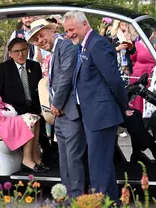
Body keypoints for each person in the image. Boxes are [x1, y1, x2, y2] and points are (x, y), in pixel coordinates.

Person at [63, 11, 128, 202]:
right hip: (92, 114)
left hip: (101, 115)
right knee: (103, 167)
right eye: (66, 31)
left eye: (71, 30)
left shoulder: (97, 44)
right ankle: (111, 203)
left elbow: (114, 80)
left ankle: (100, 203)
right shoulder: (84, 45)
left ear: (84, 25)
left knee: (98, 168)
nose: (69, 34)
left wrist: (124, 105)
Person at [27, 19, 86, 197]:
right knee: (65, 159)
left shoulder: (66, 45)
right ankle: (66, 196)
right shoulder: (55, 50)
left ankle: (75, 197)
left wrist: (56, 105)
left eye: (41, 35)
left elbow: (66, 78)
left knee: (73, 159)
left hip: (69, 112)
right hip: (60, 114)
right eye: (36, 40)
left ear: (51, 31)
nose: (40, 41)